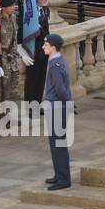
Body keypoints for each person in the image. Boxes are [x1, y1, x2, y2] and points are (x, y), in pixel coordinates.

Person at [41, 33, 72, 190]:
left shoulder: (54, 65)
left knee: (58, 144)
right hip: (57, 108)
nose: (43, 47)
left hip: (56, 109)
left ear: (53, 48)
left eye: (45, 45)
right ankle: (59, 174)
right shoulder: (58, 60)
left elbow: (60, 89)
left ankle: (63, 179)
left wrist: (68, 104)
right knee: (55, 143)